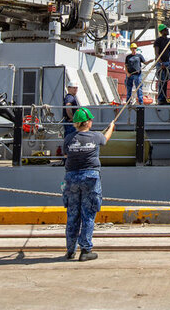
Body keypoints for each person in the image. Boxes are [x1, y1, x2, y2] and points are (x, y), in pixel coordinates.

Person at [62, 107, 114, 261]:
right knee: (88, 214)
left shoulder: (69, 138)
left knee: (72, 214)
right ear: (89, 122)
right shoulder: (96, 136)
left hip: (71, 178)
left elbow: (66, 153)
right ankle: (85, 250)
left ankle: (70, 250)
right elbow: (105, 139)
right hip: (90, 177)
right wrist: (111, 127)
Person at [153, 24, 170, 105]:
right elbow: (156, 53)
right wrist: (161, 63)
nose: (168, 30)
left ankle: (163, 99)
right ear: (162, 31)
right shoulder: (158, 40)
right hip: (161, 64)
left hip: (167, 63)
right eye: (166, 29)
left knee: (166, 81)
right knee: (162, 81)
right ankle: (160, 100)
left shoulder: (169, 41)